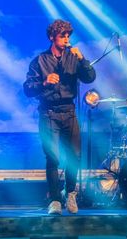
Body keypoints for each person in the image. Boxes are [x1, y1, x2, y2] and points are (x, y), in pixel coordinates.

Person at [23, 19, 96, 215]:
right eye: (62, 36)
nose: (66, 39)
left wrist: (82, 59)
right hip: (48, 113)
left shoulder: (74, 57)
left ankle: (70, 193)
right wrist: (44, 82)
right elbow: (27, 89)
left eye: (68, 36)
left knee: (74, 156)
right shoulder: (39, 61)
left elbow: (90, 77)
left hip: (69, 112)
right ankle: (55, 200)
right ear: (52, 37)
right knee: (52, 157)